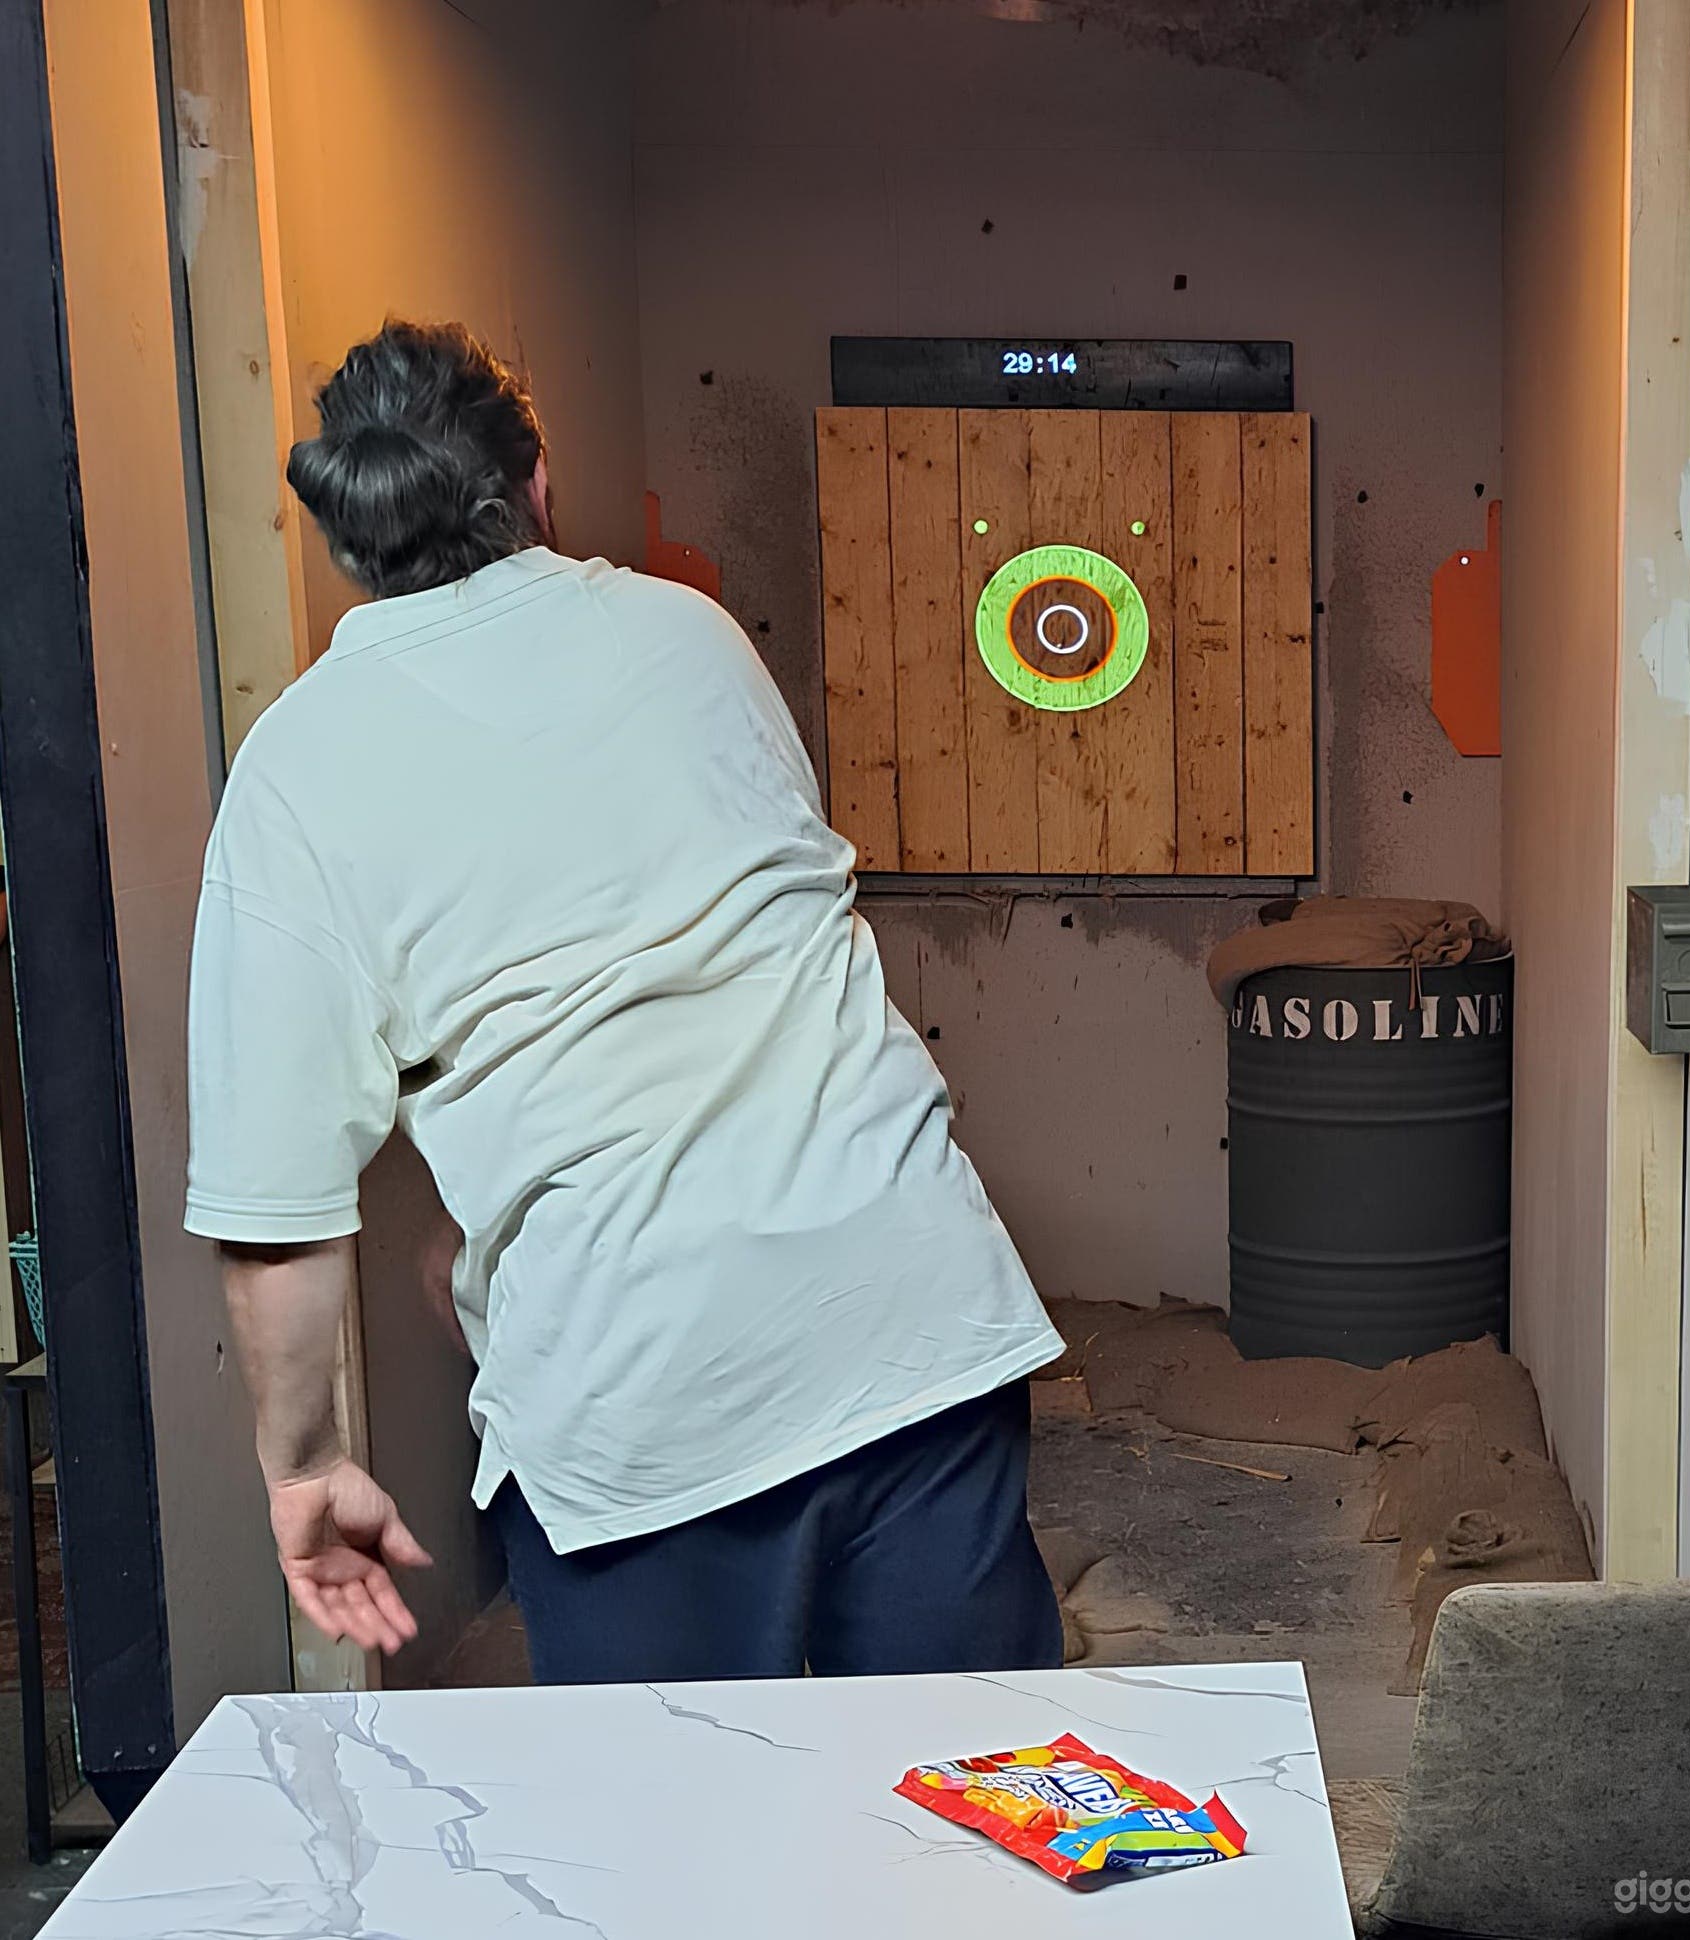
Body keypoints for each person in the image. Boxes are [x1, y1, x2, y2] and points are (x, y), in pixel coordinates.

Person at [185, 320, 1065, 1684]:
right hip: (911, 1321)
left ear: (347, 542)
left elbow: (275, 1219)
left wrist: (303, 1468)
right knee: (970, 1833)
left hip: (646, 1396)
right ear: (536, 485)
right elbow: (706, 959)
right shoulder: (689, 633)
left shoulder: (295, 767)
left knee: (685, 1856)